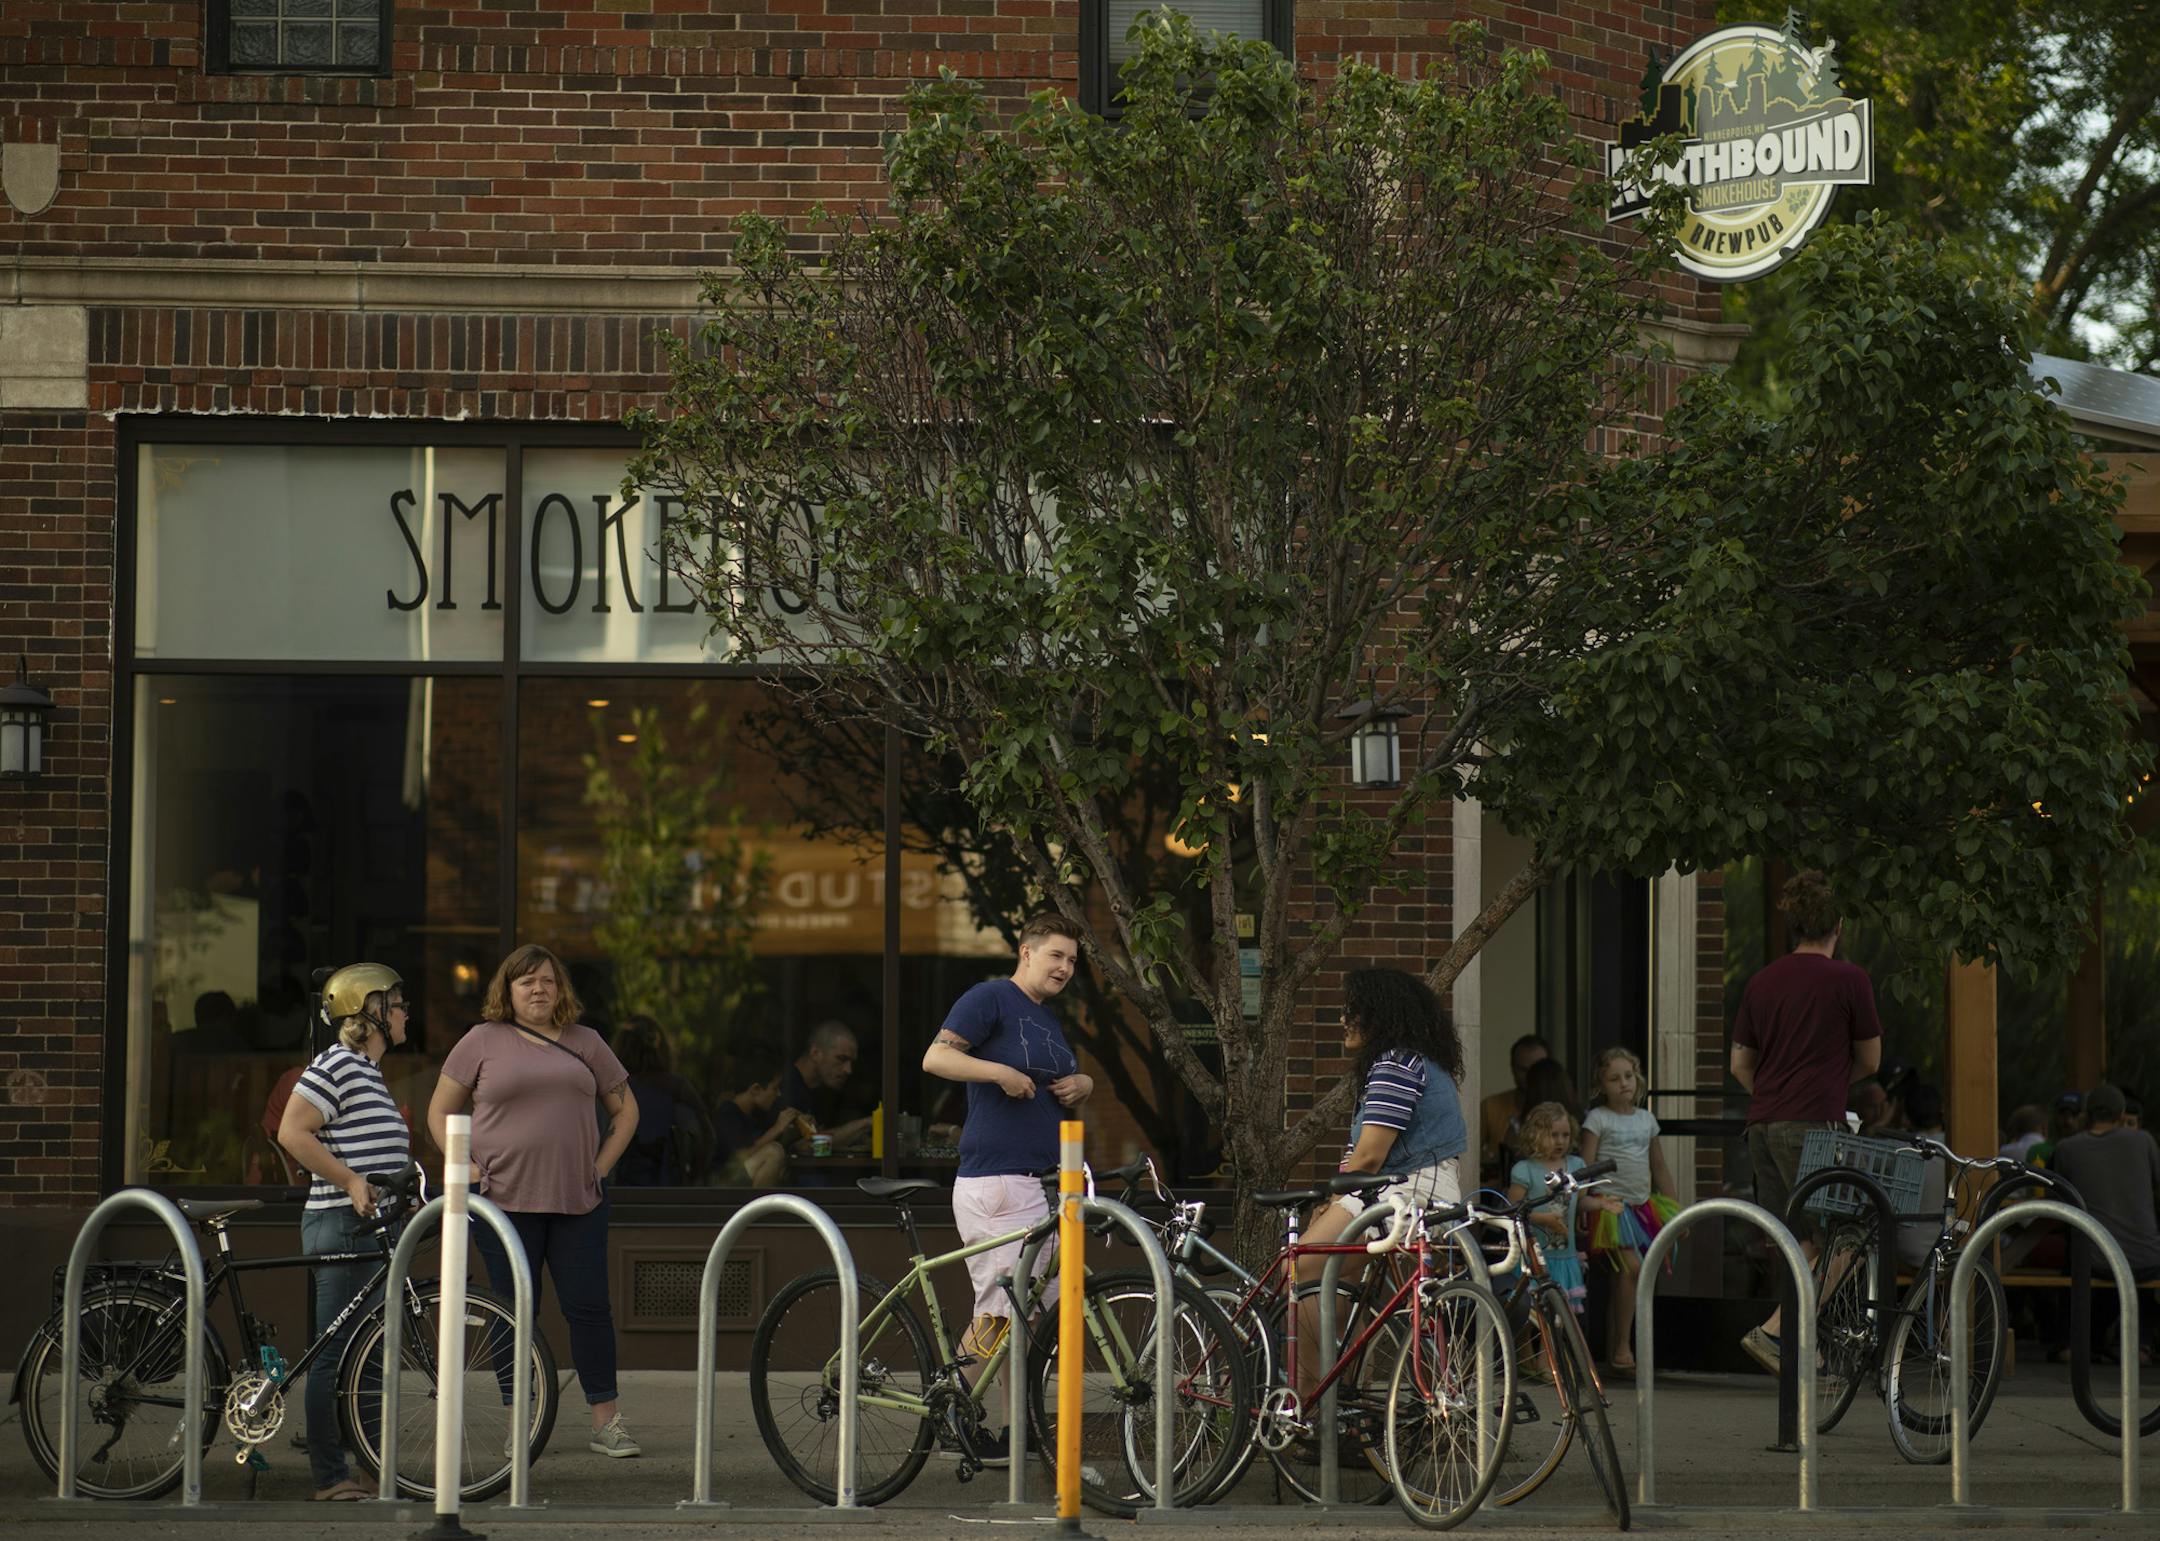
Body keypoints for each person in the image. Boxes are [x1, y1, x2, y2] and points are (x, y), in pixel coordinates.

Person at [429, 944, 643, 1458]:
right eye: (526, 982)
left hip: (579, 1200)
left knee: (589, 1310)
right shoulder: (480, 1041)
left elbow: (626, 1111)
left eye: (547, 981)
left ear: (560, 988)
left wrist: (600, 1167)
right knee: (513, 1313)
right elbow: (439, 1113)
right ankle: (519, 1423)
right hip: (503, 1203)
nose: (538, 990)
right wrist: (470, 1170)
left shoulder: (586, 1042)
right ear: (507, 990)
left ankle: (605, 1423)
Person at [922, 911, 1093, 1465]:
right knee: (1000, 1313)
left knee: (1031, 1318)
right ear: (1026, 952)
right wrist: (997, 1073)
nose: (1065, 967)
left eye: (1072, 959)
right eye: (1056, 956)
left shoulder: (1046, 1019)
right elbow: (937, 1057)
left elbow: (1056, 1082)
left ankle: (1015, 1432)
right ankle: (951, 1413)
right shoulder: (991, 997)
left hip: (1042, 1185)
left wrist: (1084, 1083)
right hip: (995, 1180)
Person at [1729, 869, 1882, 1375]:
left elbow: (1739, 1066)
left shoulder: (1762, 981)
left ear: (1793, 924)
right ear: (1838, 924)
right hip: (1815, 1126)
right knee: (1854, 1236)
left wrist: (1774, 1094)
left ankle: (1803, 1347)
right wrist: (1831, 1084)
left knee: (1801, 1243)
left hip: (1762, 1127)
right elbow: (1871, 1060)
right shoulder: (1850, 980)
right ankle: (1776, 1331)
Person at [1293, 967, 1468, 1396]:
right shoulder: (1422, 1063)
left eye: (1352, 1011)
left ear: (1380, 1014)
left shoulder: (1395, 1064)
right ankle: (1348, 1401)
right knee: (1345, 1289)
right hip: (1420, 1193)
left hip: (1401, 1193)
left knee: (1300, 1271)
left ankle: (1317, 1406)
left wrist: (1335, 1199)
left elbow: (1370, 1154)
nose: (1342, 1020)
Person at [275, 963, 411, 1502]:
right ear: (370, 1010)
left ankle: (373, 1471)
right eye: (397, 1003)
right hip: (341, 1225)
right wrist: (351, 1180)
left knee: (370, 1356)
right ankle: (331, 1476)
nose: (405, 1013)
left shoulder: (366, 1072)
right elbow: (292, 1131)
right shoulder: (336, 1063)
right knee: (333, 1357)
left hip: (372, 1229)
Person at [1580, 1046, 1676, 1376]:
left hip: (1642, 1207)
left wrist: (1674, 1210)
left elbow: (1659, 1166)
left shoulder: (1646, 1119)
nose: (1624, 1083)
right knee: (1630, 1267)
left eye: (1628, 1076)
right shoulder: (1598, 1119)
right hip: (1610, 1207)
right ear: (1600, 1086)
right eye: (1614, 1078)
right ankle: (1622, 1346)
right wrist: (1584, 1203)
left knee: (1631, 1273)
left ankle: (1618, 1346)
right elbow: (1587, 1166)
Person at [2047, 1083, 2160, 1363]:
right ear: (2122, 1114)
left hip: (2095, 1259)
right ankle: (2141, 1344)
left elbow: (2056, 1200)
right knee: (2133, 1260)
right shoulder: (2144, 1142)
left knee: (2076, 1255)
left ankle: (2068, 1342)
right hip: (2147, 1258)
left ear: (2086, 1113)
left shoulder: (2067, 1148)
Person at [1507, 1100, 1613, 1316]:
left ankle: (1554, 1352)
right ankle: (1525, 1352)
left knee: (1561, 1318)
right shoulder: (1525, 1169)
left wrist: (1601, 1203)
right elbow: (1513, 1208)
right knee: (1529, 1316)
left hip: (1565, 1256)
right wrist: (1544, 1219)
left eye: (1565, 1135)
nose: (1560, 1141)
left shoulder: (1575, 1165)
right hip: (1534, 1256)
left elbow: (1579, 1201)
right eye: (1553, 1135)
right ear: (1535, 1135)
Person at [611, 1015, 713, 1186]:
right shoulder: (678, 1089)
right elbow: (705, 1139)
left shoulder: (608, 1092)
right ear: (662, 1049)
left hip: (617, 1196)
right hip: (673, 1198)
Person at [782, 1019, 874, 1152]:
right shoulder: (786, 1088)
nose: (848, 1070)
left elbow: (816, 1141)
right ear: (815, 1053)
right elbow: (809, 1147)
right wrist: (865, 1124)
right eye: (841, 1059)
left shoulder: (819, 1092)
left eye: (851, 1063)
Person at [710, 1053, 800, 1186]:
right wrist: (776, 1129)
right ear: (756, 1089)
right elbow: (739, 1159)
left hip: (741, 1178)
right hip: (722, 1182)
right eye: (774, 1088)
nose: (778, 1094)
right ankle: (759, 1207)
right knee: (773, 1153)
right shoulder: (728, 1113)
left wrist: (792, 1131)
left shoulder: (756, 1114)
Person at [1479, 1034, 1549, 1181]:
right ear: (1512, 1069)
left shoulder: (1558, 1112)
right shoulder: (1490, 1106)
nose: (1530, 1076)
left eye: (1536, 1070)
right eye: (1523, 1070)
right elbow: (1471, 1157)